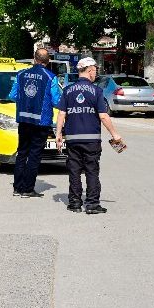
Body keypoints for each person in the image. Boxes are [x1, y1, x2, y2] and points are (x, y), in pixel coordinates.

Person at [55, 57, 122, 214]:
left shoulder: (67, 91)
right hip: (91, 139)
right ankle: (92, 204)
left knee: (74, 171)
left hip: (72, 139)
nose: (96, 74)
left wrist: (58, 134)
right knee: (92, 171)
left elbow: (61, 114)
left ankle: (74, 203)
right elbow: (103, 116)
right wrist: (115, 134)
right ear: (90, 71)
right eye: (95, 71)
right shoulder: (97, 91)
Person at [9, 48, 63, 198]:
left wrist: (26, 101)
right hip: (41, 121)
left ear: (34, 59)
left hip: (24, 120)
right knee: (34, 155)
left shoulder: (21, 74)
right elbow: (56, 101)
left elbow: (13, 95)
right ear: (48, 61)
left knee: (22, 153)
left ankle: (17, 188)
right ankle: (27, 189)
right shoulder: (50, 77)